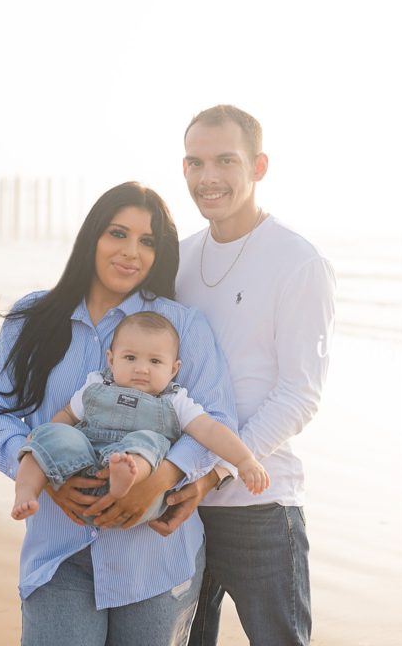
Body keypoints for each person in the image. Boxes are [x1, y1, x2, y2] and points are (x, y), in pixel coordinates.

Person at [0, 182, 240, 646]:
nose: (131, 252)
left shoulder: (183, 325)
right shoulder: (31, 318)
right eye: (118, 233)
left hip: (156, 556)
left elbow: (217, 418)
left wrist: (161, 480)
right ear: (92, 236)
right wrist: (42, 471)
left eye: (148, 241)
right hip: (59, 551)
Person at [140, 105, 336, 646]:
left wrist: (214, 474)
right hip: (181, 507)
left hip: (260, 509)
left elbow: (299, 395)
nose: (208, 178)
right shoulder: (177, 260)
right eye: (195, 162)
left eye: (226, 160)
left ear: (259, 166)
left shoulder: (298, 261)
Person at [11, 311, 268, 523]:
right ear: (111, 360)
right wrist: (46, 441)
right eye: (130, 357)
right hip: (80, 471)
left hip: (140, 492)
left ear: (173, 369)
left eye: (155, 361)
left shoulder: (174, 401)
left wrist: (244, 459)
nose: (141, 368)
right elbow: (68, 414)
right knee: (50, 434)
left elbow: (211, 430)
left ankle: (125, 474)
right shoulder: (96, 384)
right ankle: (26, 491)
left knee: (150, 441)